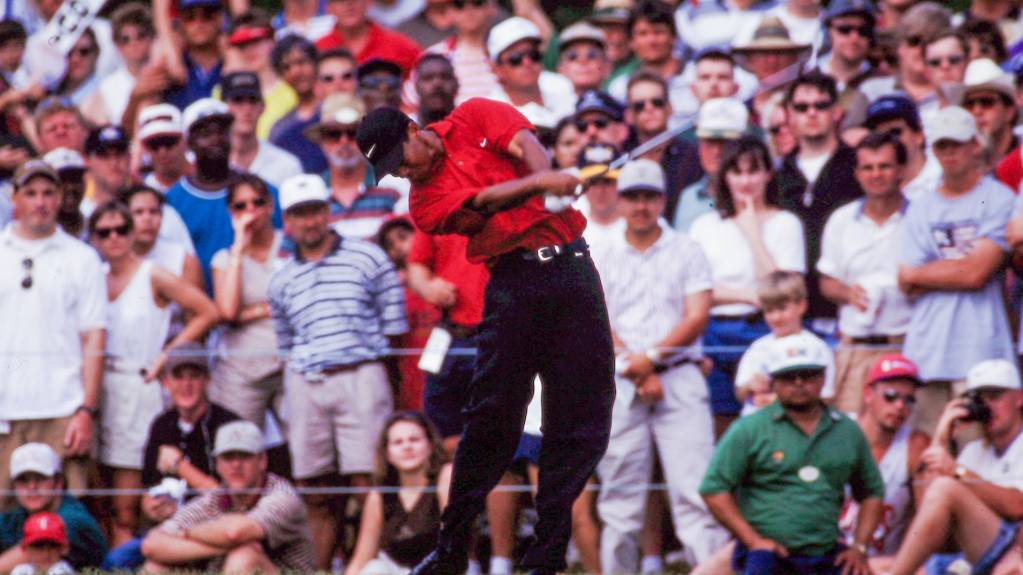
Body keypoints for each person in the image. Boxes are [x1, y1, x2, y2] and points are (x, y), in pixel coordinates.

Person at [356, 96, 615, 574]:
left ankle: (547, 554)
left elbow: (525, 143)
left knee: (582, 411)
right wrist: (542, 183)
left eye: (399, 160)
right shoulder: (424, 203)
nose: (401, 174)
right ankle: (452, 544)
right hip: (513, 282)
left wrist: (551, 184)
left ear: (414, 129)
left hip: (573, 270)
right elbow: (484, 203)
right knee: (492, 415)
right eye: (388, 170)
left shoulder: (474, 113)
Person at [591, 158, 728, 573]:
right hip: (619, 378)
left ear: (664, 199)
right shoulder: (602, 250)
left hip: (678, 376)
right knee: (619, 502)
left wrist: (648, 361)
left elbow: (697, 315)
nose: (641, 205)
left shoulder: (687, 248)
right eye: (632, 196)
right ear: (620, 198)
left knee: (695, 496)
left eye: (649, 196)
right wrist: (634, 365)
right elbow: (593, 317)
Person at [268, 174, 408, 569]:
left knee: (369, 482)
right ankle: (322, 566)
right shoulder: (281, 278)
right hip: (307, 381)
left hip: (361, 373)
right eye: (299, 214)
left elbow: (395, 328)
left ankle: (371, 565)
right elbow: (285, 341)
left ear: (327, 212)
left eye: (314, 211)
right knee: (316, 488)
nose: (309, 222)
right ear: (288, 221)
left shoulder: (368, 256)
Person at [88, 201, 219, 546]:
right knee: (101, 494)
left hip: (139, 384)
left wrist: (168, 354)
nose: (114, 237)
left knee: (128, 502)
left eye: (122, 229)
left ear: (133, 233)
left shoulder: (153, 273)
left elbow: (207, 310)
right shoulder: (93, 279)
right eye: (105, 232)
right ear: (95, 239)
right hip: (101, 389)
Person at [699, 333, 885, 575]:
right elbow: (713, 488)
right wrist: (752, 540)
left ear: (822, 377)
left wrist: (860, 547)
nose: (798, 382)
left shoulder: (847, 431)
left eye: (807, 374)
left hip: (827, 552)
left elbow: (872, 491)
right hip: (769, 554)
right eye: (788, 376)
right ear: (773, 380)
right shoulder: (750, 428)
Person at [898, 106, 1015, 434]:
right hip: (927, 348)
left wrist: (928, 273)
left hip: (980, 346)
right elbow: (905, 278)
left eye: (957, 144)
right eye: (942, 146)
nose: (950, 154)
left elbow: (975, 274)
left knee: (975, 448)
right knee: (925, 449)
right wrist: (959, 268)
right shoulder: (921, 206)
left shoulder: (997, 198)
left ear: (975, 145)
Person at [689, 136, 806, 436]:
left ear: (768, 173)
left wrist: (753, 232)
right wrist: (749, 294)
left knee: (768, 421)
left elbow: (788, 289)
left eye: (753, 171)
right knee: (720, 423)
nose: (745, 181)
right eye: (737, 172)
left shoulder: (786, 223)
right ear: (725, 176)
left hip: (764, 330)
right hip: (714, 333)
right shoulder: (705, 226)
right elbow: (696, 291)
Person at [0, 161, 105, 494]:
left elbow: (94, 338)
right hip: (5, 412)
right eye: (30, 193)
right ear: (14, 198)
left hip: (64, 412)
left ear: (60, 197)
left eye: (48, 193)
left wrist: (86, 410)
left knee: (66, 523)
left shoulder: (82, 258)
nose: (40, 202)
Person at [101, 343, 241, 572]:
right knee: (116, 561)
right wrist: (152, 506)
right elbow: (148, 491)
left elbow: (229, 499)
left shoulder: (227, 425)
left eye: (194, 376)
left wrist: (180, 466)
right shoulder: (161, 425)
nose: (186, 385)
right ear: (166, 382)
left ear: (207, 380)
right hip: (169, 528)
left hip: (214, 528)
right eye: (178, 377)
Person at [886, 359, 1023, 575]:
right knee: (872, 567)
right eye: (980, 399)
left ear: (1019, 398)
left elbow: (1017, 506)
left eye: (995, 397)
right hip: (976, 551)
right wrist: (941, 437)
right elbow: (929, 514)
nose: (988, 406)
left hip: (1016, 549)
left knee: (945, 488)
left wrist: (957, 471)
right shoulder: (974, 450)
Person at [140, 420, 316, 572]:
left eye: (244, 456)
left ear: (262, 461)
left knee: (244, 556)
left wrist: (185, 534)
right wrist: (216, 548)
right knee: (156, 567)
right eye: (228, 457)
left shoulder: (283, 495)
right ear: (217, 464)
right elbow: (151, 545)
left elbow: (235, 533)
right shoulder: (214, 499)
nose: (236, 465)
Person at [818, 133, 912, 414]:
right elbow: (826, 281)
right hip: (855, 349)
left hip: (905, 345)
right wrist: (847, 293)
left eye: (884, 166)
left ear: (901, 171)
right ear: (857, 174)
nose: (876, 174)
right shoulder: (841, 220)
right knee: (850, 435)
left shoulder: (920, 217)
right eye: (868, 168)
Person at [776, 72, 863, 335]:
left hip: (846, 307)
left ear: (836, 112)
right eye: (801, 107)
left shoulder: (859, 166)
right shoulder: (777, 175)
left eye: (821, 105)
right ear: (789, 116)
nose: (811, 113)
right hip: (793, 312)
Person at [166, 98, 283, 289]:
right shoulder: (173, 201)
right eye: (205, 133)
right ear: (189, 143)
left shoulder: (260, 192)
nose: (215, 139)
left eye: (221, 131)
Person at [209, 174, 286, 428]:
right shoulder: (225, 258)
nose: (250, 211)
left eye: (257, 202)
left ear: (270, 205)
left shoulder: (289, 243)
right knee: (239, 444)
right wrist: (239, 247)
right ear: (231, 212)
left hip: (289, 364)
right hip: (242, 370)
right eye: (241, 206)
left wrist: (251, 311)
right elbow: (228, 312)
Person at [838, 354, 929, 564]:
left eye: (909, 399)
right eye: (890, 396)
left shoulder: (916, 445)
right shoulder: (837, 431)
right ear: (868, 394)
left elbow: (927, 518)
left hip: (885, 564)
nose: (900, 405)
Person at [345, 412, 453, 575]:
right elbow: (362, 559)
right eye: (398, 442)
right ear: (387, 453)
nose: (407, 446)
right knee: (374, 569)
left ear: (430, 445)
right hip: (397, 570)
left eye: (414, 440)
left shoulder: (446, 475)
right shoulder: (379, 496)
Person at [733, 272, 835, 416]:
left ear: (802, 305)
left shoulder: (817, 347)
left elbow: (827, 396)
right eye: (769, 310)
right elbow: (740, 392)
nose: (776, 317)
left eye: (782, 308)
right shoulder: (758, 348)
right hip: (759, 424)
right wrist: (751, 385)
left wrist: (779, 399)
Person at [309, 93, 402, 240]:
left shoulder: (394, 188)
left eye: (353, 133)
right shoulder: (311, 195)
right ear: (322, 141)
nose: (344, 141)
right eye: (334, 134)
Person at [0, 443, 106, 571]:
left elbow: (31, 555)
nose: (32, 487)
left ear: (59, 482)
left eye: (40, 478)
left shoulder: (74, 519)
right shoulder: (18, 515)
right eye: (23, 480)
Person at [622, 70, 702, 220]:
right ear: (629, 116)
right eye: (639, 105)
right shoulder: (621, 157)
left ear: (670, 108)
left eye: (657, 102)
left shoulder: (693, 155)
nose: (649, 108)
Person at [672, 97, 746, 232]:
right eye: (710, 142)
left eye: (725, 143)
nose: (717, 151)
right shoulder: (689, 197)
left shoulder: (757, 197)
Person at [223, 71, 304, 189]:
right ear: (224, 107)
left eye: (253, 100)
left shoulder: (287, 166)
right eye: (238, 100)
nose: (247, 109)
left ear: (262, 107)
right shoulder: (210, 165)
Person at [487, 17, 576, 123]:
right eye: (516, 59)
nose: (527, 63)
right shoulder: (491, 112)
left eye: (534, 55)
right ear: (496, 68)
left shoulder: (562, 86)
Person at [862, 94, 941, 201]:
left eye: (895, 132)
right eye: (878, 135)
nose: (888, 141)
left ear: (919, 135)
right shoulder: (868, 185)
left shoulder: (943, 179)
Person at [269, 35, 328, 174]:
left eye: (301, 62)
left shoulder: (336, 112)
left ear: (316, 64)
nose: (295, 72)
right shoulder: (281, 129)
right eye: (286, 67)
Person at [315, 0, 423, 75]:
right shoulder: (318, 49)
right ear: (329, 7)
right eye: (340, 0)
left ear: (369, 2)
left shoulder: (402, 46)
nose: (349, 4)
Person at [162, 0, 225, 110]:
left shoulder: (233, 65)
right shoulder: (167, 69)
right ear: (180, 22)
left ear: (219, 19)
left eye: (207, 15)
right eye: (189, 17)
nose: (198, 23)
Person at [957, 58, 1018, 170]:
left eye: (986, 102)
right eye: (969, 104)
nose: (977, 111)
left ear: (1009, 112)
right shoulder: (962, 167)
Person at [572, 143, 625, 248]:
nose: (600, 190)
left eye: (607, 181)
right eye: (593, 182)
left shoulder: (640, 218)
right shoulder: (569, 220)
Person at [135, 103, 191, 193]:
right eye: (154, 145)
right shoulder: (143, 191)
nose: (162, 152)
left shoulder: (207, 181)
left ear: (184, 142)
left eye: (168, 142)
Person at [10, 512, 75, 575]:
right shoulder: (22, 570)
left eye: (53, 545)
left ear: (64, 548)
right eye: (38, 546)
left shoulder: (62, 570)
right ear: (25, 549)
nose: (45, 554)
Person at [556, 22, 610, 97]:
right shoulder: (547, 107)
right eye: (573, 56)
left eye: (592, 55)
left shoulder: (621, 106)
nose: (583, 61)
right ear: (561, 69)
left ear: (607, 67)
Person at [413, 53, 458, 126]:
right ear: (416, 86)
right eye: (428, 77)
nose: (437, 84)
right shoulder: (403, 130)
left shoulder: (472, 128)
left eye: (445, 77)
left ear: (456, 84)